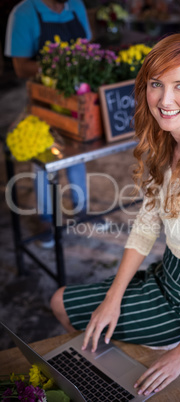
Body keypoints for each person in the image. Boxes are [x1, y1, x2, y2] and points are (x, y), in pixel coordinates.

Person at [51, 32, 180, 396]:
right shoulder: (169, 142)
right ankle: (95, 380)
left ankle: (94, 384)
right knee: (63, 302)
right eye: (156, 84)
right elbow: (144, 228)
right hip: (167, 275)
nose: (165, 99)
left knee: (66, 308)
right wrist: (113, 297)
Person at [4, 0, 92, 247]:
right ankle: (46, 218)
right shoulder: (24, 12)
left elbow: (87, 49)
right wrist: (62, 66)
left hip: (75, 96)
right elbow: (21, 68)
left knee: (80, 152)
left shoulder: (76, 6)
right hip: (43, 98)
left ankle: (81, 209)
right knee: (46, 159)